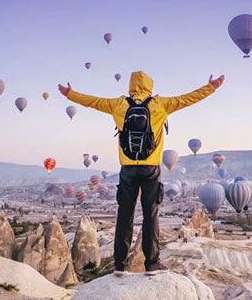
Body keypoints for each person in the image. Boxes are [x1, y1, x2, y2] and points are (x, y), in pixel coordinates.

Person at [58, 71, 224, 277]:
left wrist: (70, 94)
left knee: (124, 216)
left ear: (130, 85)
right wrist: (211, 87)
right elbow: (188, 99)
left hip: (127, 169)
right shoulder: (160, 103)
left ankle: (119, 265)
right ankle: (152, 265)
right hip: (150, 170)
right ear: (149, 86)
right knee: (150, 216)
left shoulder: (119, 104)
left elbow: (92, 101)